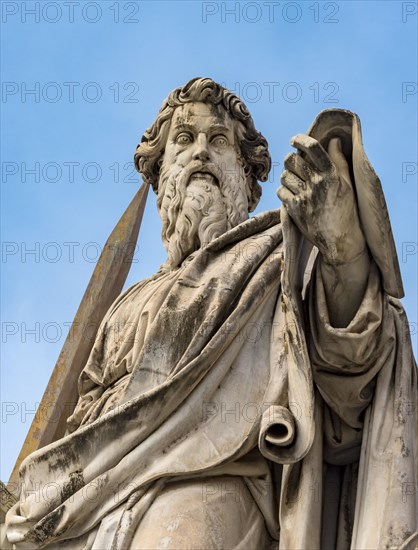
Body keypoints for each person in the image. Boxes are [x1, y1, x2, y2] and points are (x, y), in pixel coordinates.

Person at [4, 78, 417, 549]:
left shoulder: (274, 261)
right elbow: (84, 416)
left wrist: (342, 249)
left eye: (218, 140)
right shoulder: (125, 304)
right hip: (89, 506)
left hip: (205, 480)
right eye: (184, 139)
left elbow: (351, 364)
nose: (201, 151)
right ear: (161, 177)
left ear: (246, 178)